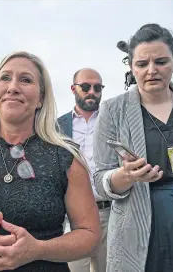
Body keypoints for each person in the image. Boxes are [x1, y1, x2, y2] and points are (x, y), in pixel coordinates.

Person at [0, 51, 100, 271]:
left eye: (25, 80)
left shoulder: (66, 157)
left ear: (41, 98)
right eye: (5, 78)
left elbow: (89, 235)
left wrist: (38, 249)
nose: (13, 87)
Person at [93, 23, 173, 272]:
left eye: (161, 62)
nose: (152, 70)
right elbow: (101, 179)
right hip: (146, 223)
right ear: (131, 66)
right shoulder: (113, 110)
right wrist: (124, 176)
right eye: (142, 64)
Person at [58, 68, 109, 272]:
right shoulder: (58, 126)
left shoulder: (111, 120)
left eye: (97, 88)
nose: (92, 92)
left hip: (108, 212)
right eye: (86, 87)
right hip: (73, 217)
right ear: (73, 89)